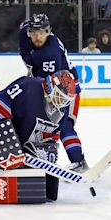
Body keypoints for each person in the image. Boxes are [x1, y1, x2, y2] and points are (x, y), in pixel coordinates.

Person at [0, 70, 77, 201]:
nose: (62, 102)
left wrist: (46, 149)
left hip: (23, 150)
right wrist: (11, 146)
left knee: (48, 190)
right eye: (60, 96)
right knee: (12, 180)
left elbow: (52, 138)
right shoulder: (27, 86)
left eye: (65, 99)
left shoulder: (62, 111)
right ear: (50, 86)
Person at [18, 13, 88, 173]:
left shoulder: (50, 54)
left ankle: (78, 162)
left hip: (65, 90)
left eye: (42, 32)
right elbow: (24, 27)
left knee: (64, 126)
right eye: (34, 32)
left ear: (49, 32)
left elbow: (45, 86)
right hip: (47, 84)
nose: (38, 36)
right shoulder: (24, 34)